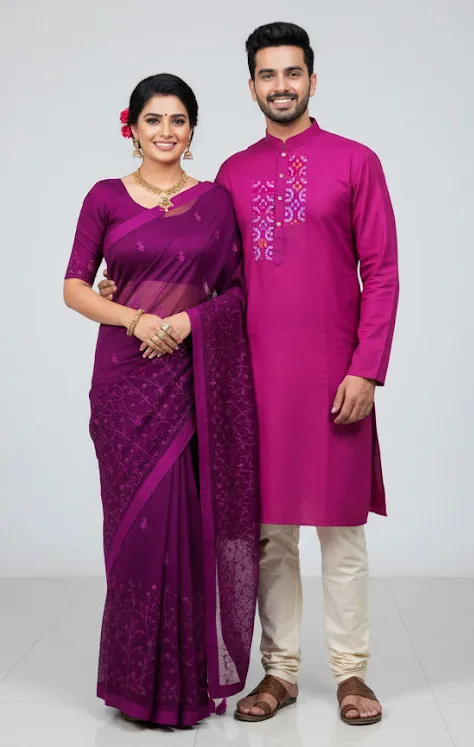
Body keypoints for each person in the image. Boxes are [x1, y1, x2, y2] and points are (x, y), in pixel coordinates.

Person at [99, 22, 399, 727]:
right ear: (252, 86)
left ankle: (352, 672)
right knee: (267, 533)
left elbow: (382, 272)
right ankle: (280, 670)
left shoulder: (356, 161)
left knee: (341, 530)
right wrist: (124, 288)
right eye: (268, 75)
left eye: (292, 73)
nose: (281, 86)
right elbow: (203, 270)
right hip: (248, 381)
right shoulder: (232, 175)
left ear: (312, 81)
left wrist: (367, 368)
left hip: (334, 377)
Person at [64, 73, 260, 728]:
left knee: (187, 527)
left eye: (178, 120)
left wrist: (187, 322)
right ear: (133, 127)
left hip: (190, 379)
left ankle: (185, 684)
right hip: (124, 383)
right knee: (134, 531)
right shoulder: (105, 197)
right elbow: (74, 286)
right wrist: (135, 319)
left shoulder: (215, 202)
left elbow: (237, 292)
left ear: (192, 129)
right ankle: (133, 684)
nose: (166, 132)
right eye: (154, 120)